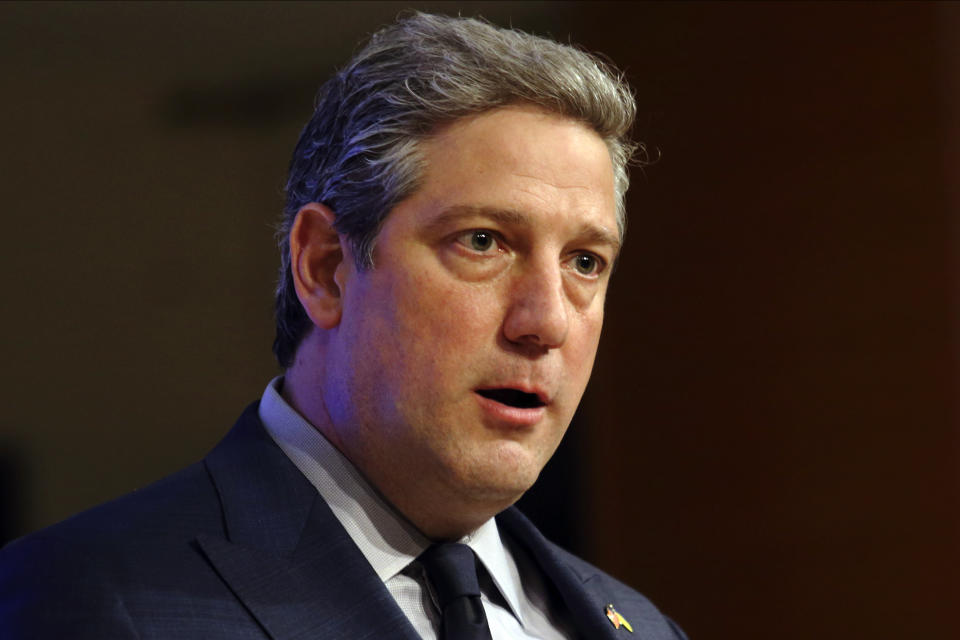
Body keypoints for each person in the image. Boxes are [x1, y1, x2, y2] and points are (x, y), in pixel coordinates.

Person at [0, 12, 686, 640]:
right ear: (326, 267)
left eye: (585, 261)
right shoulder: (92, 597)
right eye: (483, 242)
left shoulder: (645, 628)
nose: (547, 321)